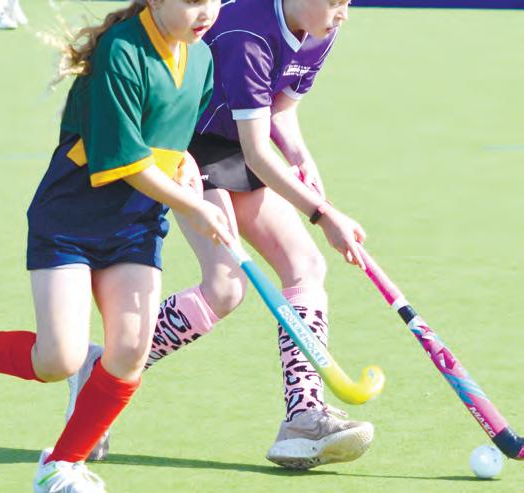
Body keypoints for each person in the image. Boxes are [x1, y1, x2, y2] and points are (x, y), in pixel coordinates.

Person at [0, 0, 228, 491]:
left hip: (135, 225)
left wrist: (185, 168)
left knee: (130, 351)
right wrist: (193, 206)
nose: (206, 12)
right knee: (59, 360)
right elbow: (127, 159)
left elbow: (172, 142)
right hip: (72, 218)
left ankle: (61, 465)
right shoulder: (122, 50)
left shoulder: (200, 57)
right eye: (193, 0)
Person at [73, 0, 375, 470]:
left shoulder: (318, 29)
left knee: (306, 265)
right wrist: (322, 214)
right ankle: (106, 370)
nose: (344, 14)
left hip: (237, 140)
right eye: (336, 2)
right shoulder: (247, 36)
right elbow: (257, 153)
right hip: (187, 144)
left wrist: (301, 158)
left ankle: (303, 417)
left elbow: (280, 110)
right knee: (225, 286)